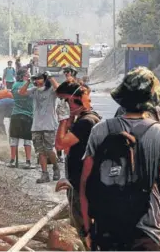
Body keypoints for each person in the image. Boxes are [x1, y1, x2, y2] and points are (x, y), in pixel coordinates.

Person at [80, 67, 160, 251]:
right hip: (146, 233)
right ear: (152, 99)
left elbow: (85, 184)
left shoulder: (100, 130)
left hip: (106, 229)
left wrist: (88, 230)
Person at [55, 80, 101, 248]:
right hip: (81, 181)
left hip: (84, 185)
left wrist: (63, 120)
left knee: (84, 229)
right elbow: (69, 151)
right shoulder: (86, 119)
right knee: (82, 226)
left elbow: (60, 144)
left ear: (76, 100)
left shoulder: (86, 123)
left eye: (65, 101)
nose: (64, 105)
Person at [19, 72, 60, 183]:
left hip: (49, 125)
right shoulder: (34, 90)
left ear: (45, 79)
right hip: (36, 126)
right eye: (36, 79)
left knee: (49, 150)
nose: (37, 80)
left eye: (40, 78)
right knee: (40, 152)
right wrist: (28, 81)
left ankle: (56, 167)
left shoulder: (51, 91)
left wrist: (51, 77)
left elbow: (59, 89)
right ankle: (44, 174)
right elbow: (21, 92)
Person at [7, 68, 34, 169]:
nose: (29, 75)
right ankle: (28, 161)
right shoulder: (30, 85)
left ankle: (12, 161)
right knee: (27, 139)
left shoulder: (14, 85)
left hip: (16, 114)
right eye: (27, 74)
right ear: (25, 75)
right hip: (28, 115)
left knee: (14, 139)